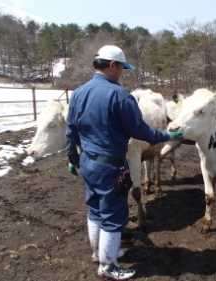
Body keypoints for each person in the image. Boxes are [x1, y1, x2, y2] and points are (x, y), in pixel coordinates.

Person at [65, 45, 183, 280]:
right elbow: (140, 131)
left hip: (88, 161)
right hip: (110, 165)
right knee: (114, 215)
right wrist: (168, 135)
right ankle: (108, 267)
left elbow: (71, 132)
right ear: (112, 65)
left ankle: (98, 254)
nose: (122, 73)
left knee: (95, 208)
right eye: (122, 68)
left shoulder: (78, 93)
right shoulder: (119, 95)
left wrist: (73, 159)